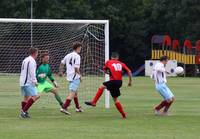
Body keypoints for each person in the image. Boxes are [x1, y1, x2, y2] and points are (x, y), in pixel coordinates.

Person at [85, 52, 132, 118]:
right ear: (117, 58)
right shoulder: (121, 63)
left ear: (111, 57)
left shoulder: (108, 62)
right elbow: (129, 71)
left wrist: (102, 69)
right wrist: (130, 82)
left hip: (113, 81)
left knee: (102, 86)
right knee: (115, 99)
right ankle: (124, 115)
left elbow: (105, 71)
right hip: (119, 82)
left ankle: (94, 102)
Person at [59, 42, 83, 115]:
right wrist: (80, 76)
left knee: (75, 92)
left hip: (69, 76)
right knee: (72, 93)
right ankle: (64, 107)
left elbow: (62, 63)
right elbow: (76, 68)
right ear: (78, 48)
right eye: (80, 48)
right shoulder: (77, 56)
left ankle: (77, 107)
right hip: (75, 76)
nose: (80, 49)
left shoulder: (68, 55)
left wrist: (60, 71)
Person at [20, 47, 40, 118]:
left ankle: (24, 113)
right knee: (36, 96)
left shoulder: (25, 59)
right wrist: (35, 81)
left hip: (23, 81)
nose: (37, 54)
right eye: (37, 53)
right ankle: (23, 111)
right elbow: (32, 72)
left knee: (26, 97)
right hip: (28, 82)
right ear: (35, 53)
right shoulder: (32, 61)